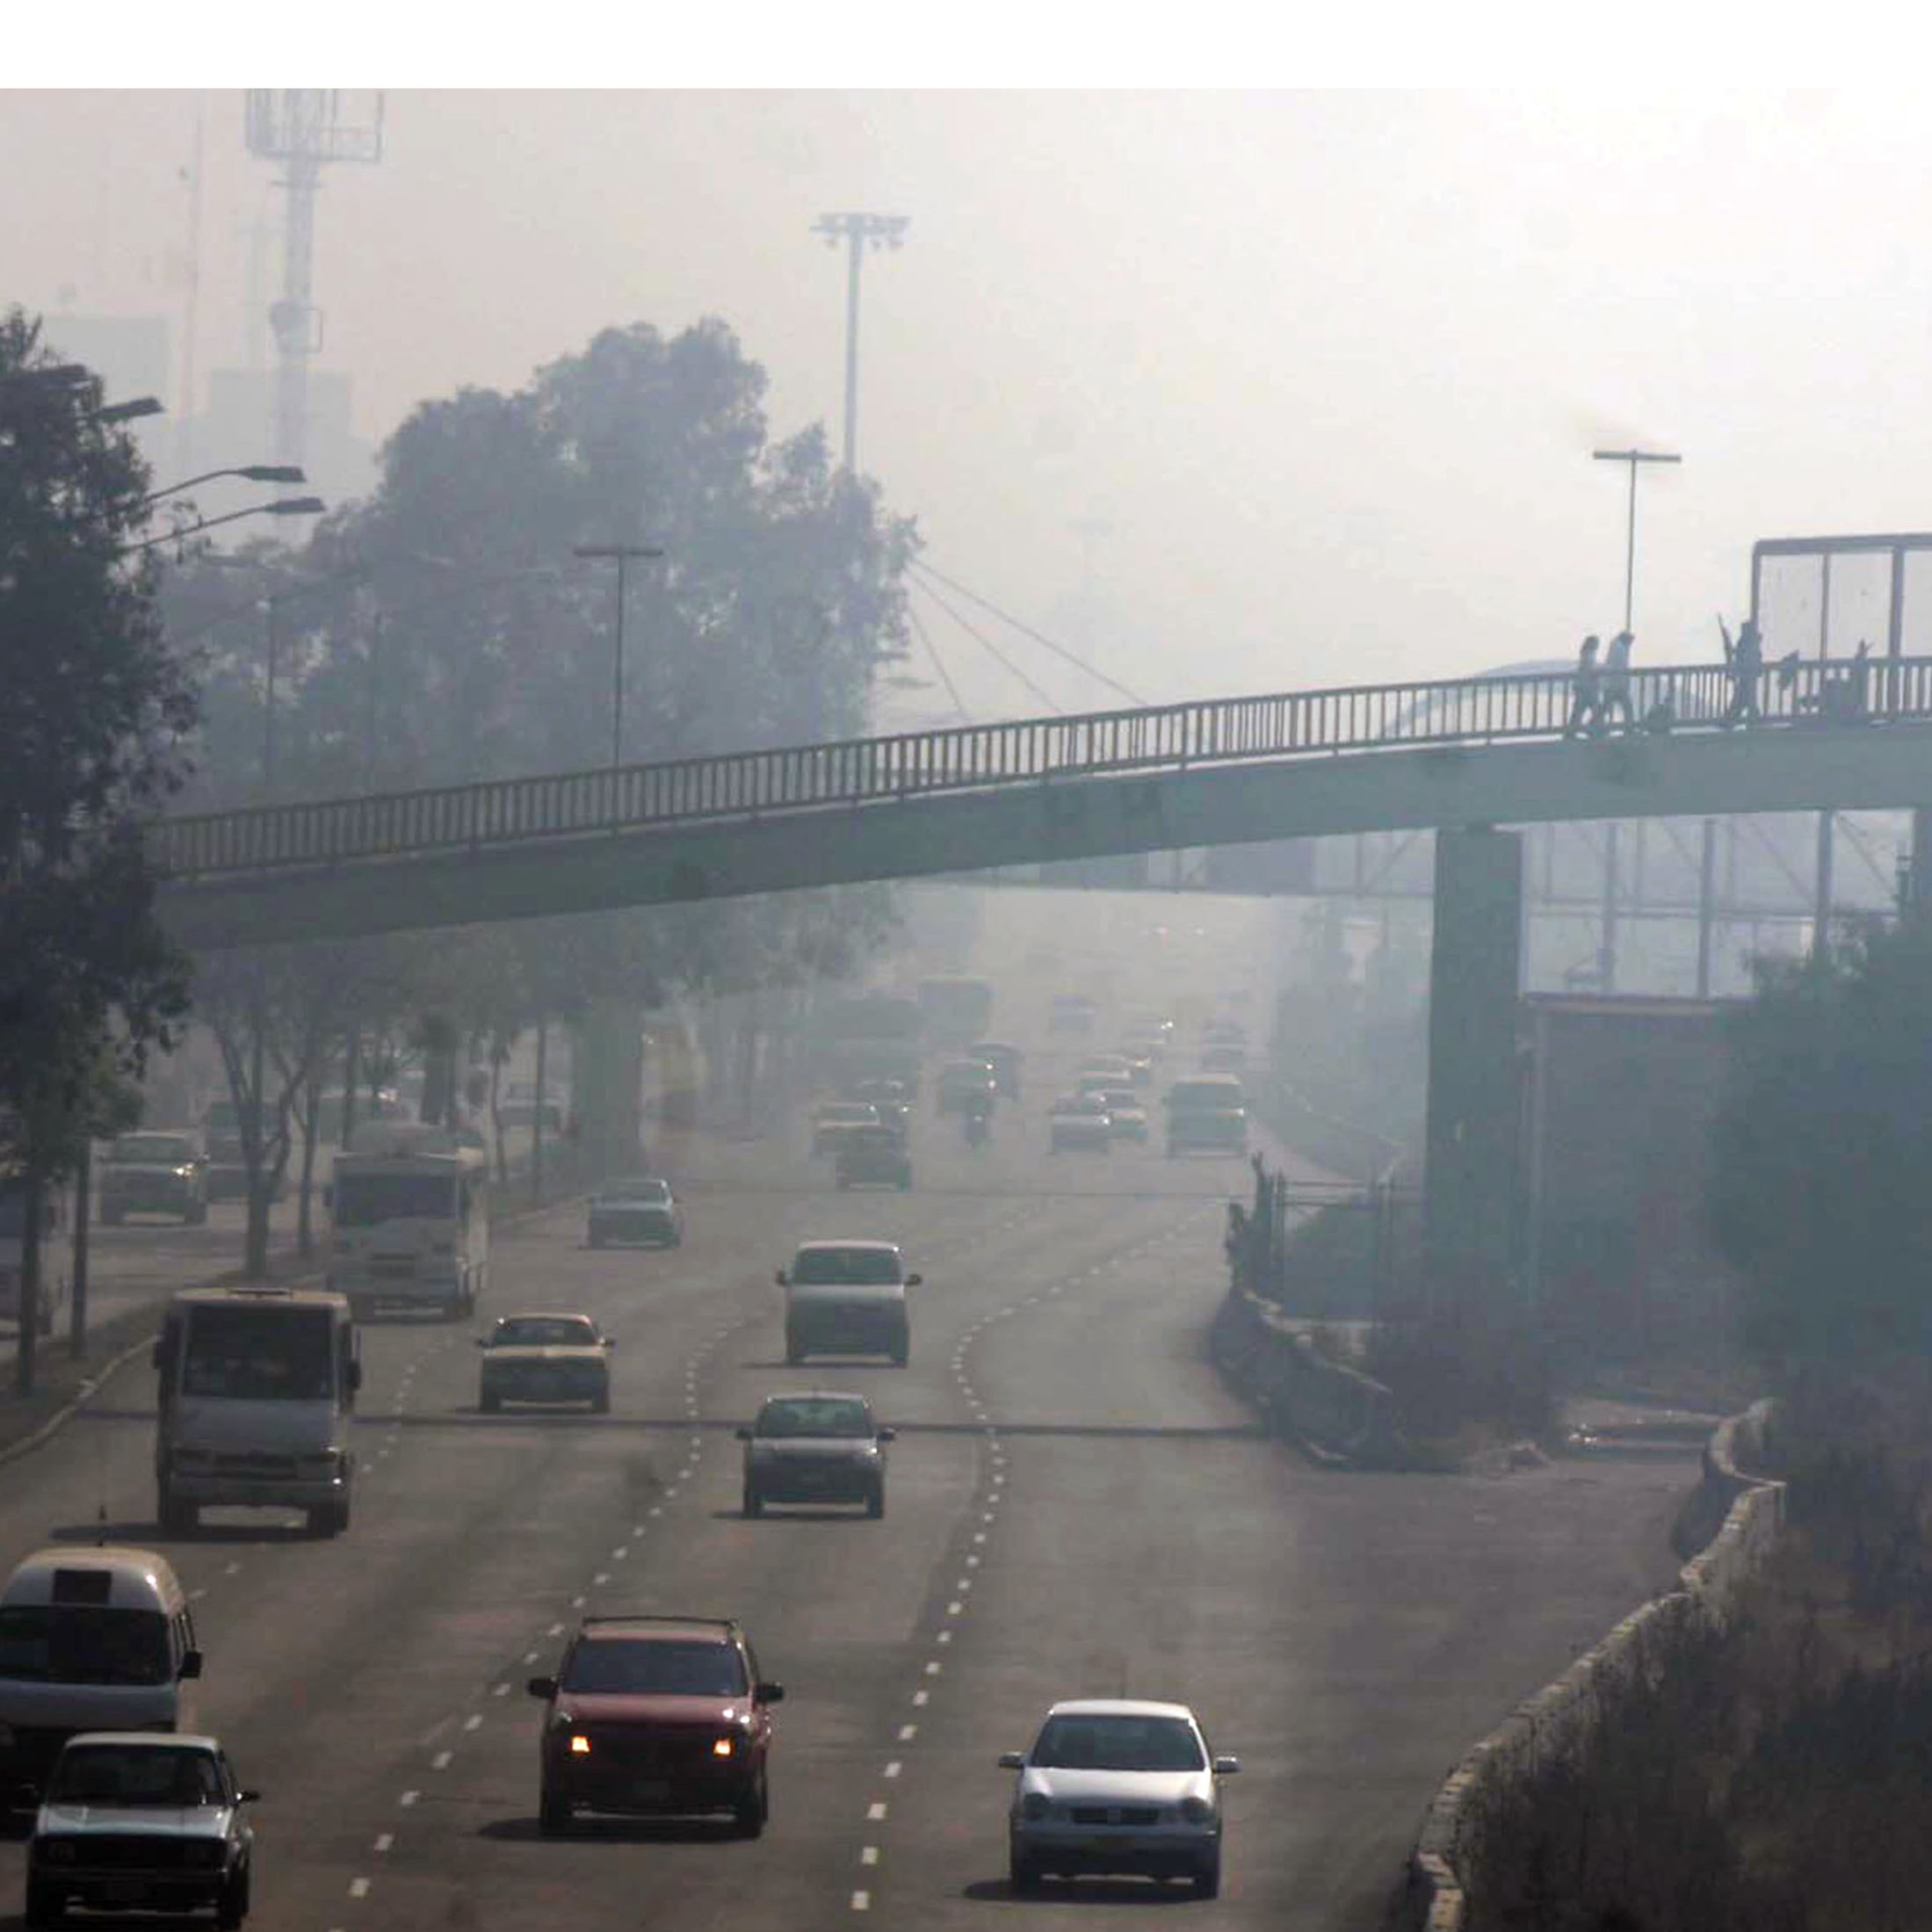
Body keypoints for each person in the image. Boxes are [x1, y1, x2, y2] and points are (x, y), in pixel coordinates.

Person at [1719, 615, 1762, 727]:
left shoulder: (1748, 643)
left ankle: (1730, 722)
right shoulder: (1749, 643)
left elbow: (1742, 657)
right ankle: (1733, 721)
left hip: (1746, 678)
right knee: (1743, 701)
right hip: (1745, 678)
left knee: (1742, 701)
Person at [1563, 634, 1604, 739]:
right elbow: (1588, 669)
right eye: (1596, 643)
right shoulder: (1588, 654)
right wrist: (1597, 673)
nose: (1598, 646)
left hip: (1584, 686)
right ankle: (1593, 731)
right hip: (1586, 687)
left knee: (1581, 711)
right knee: (1590, 710)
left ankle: (1574, 732)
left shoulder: (1586, 653)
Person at [1601, 630, 1636, 734]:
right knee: (1627, 707)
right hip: (1617, 685)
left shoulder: (1616, 646)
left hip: (1612, 684)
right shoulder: (1619, 649)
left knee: (1606, 707)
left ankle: (1595, 725)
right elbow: (1621, 667)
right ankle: (1629, 729)